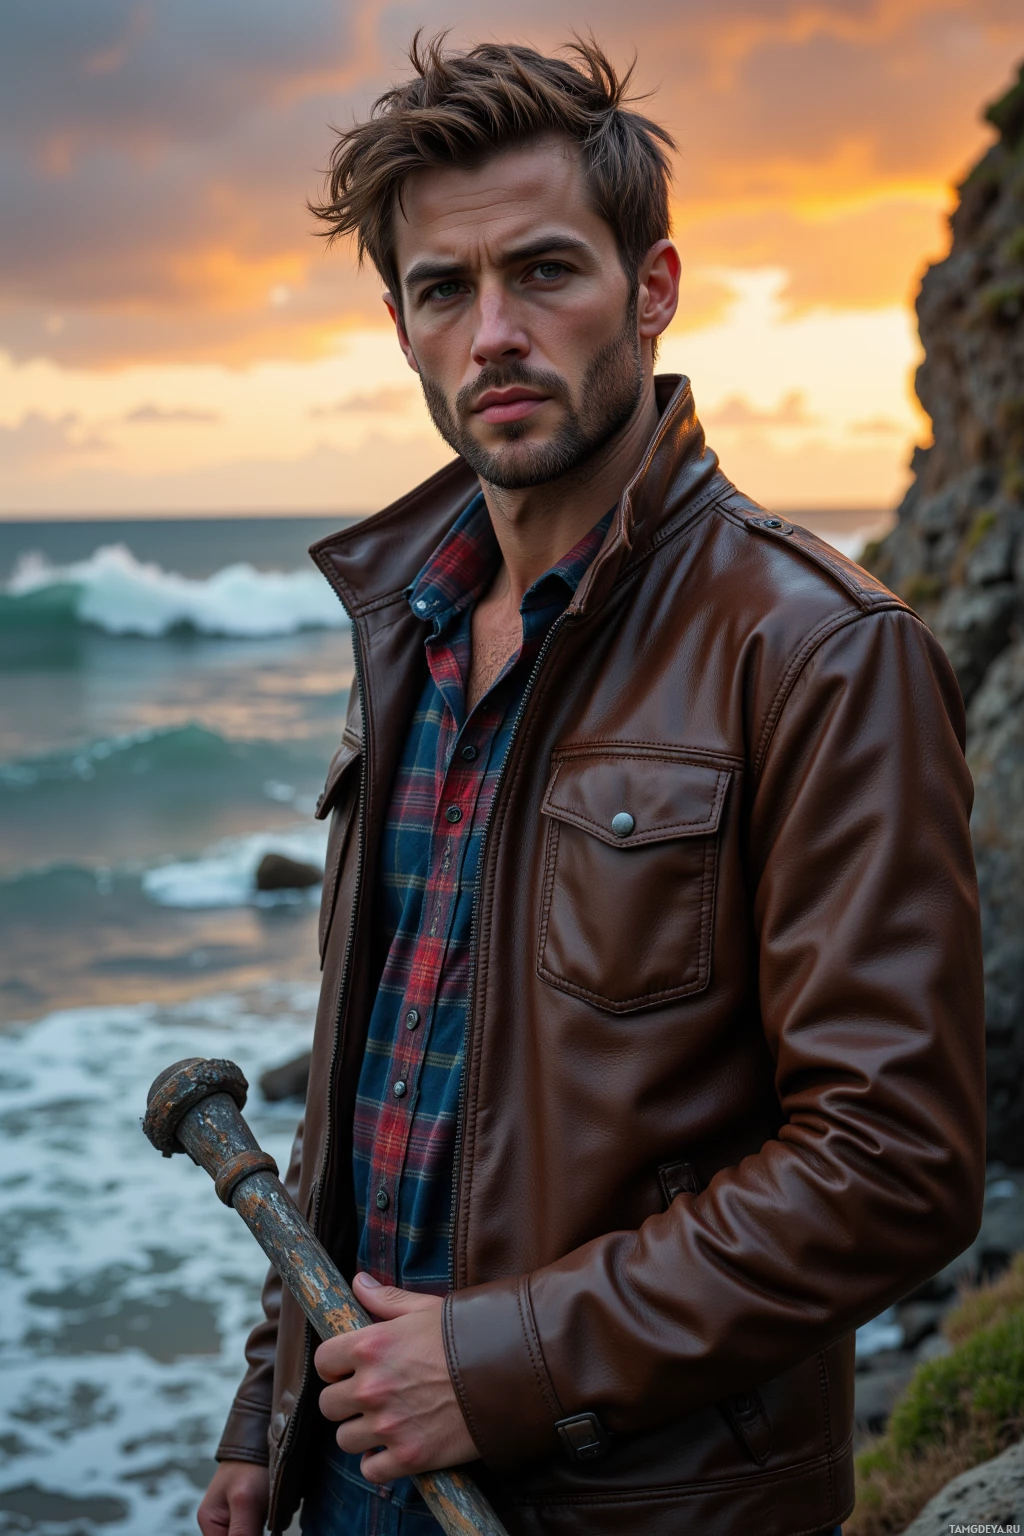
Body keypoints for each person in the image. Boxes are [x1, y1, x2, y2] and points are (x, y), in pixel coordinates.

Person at [197, 35, 985, 1536]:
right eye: (445, 289)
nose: (494, 330)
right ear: (401, 325)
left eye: (546, 271)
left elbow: (895, 1162)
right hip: (360, 1465)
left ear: (654, 286)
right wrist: (269, 1405)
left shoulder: (818, 650)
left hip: (642, 1501)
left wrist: (497, 1368)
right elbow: (375, 1085)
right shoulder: (409, 639)